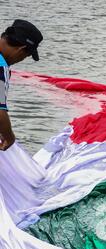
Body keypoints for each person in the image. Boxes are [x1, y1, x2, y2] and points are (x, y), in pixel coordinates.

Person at [0, 19, 43, 151]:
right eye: (26, 56)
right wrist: (9, 137)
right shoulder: (1, 68)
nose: (20, 60)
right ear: (21, 49)